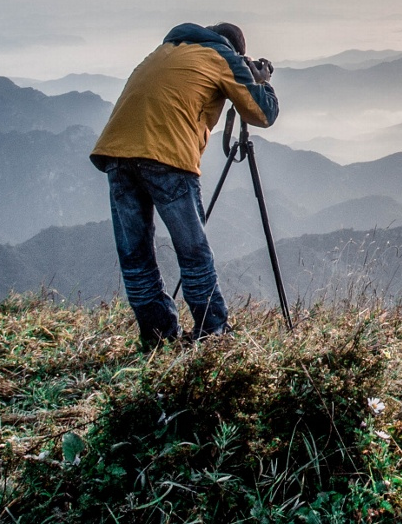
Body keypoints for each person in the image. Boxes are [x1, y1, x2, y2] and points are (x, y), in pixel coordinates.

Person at [89, 21, 279, 349]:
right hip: (167, 155)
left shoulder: (166, 50)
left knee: (135, 256)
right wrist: (261, 81)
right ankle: (213, 332)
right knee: (192, 252)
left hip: (116, 151)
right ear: (236, 50)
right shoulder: (224, 57)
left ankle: (157, 335)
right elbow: (263, 113)